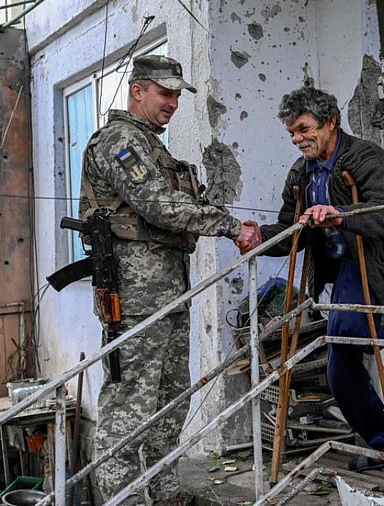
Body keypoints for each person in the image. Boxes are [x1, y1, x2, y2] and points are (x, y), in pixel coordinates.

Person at [79, 55, 258, 505]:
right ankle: (122, 499)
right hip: (135, 296)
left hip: (169, 292)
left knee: (170, 399)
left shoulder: (150, 144)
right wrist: (230, 225)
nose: (173, 103)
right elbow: (159, 206)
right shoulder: (119, 140)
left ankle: (165, 490)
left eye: (177, 94)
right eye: (165, 93)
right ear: (138, 90)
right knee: (129, 404)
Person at [239, 87, 384, 468]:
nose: (297, 139)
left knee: (348, 335)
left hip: (372, 265)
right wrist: (261, 238)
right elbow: (294, 231)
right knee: (340, 363)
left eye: (303, 129)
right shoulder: (300, 174)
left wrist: (339, 214)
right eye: (291, 133)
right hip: (338, 272)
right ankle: (382, 442)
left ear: (330, 122)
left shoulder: (366, 157)